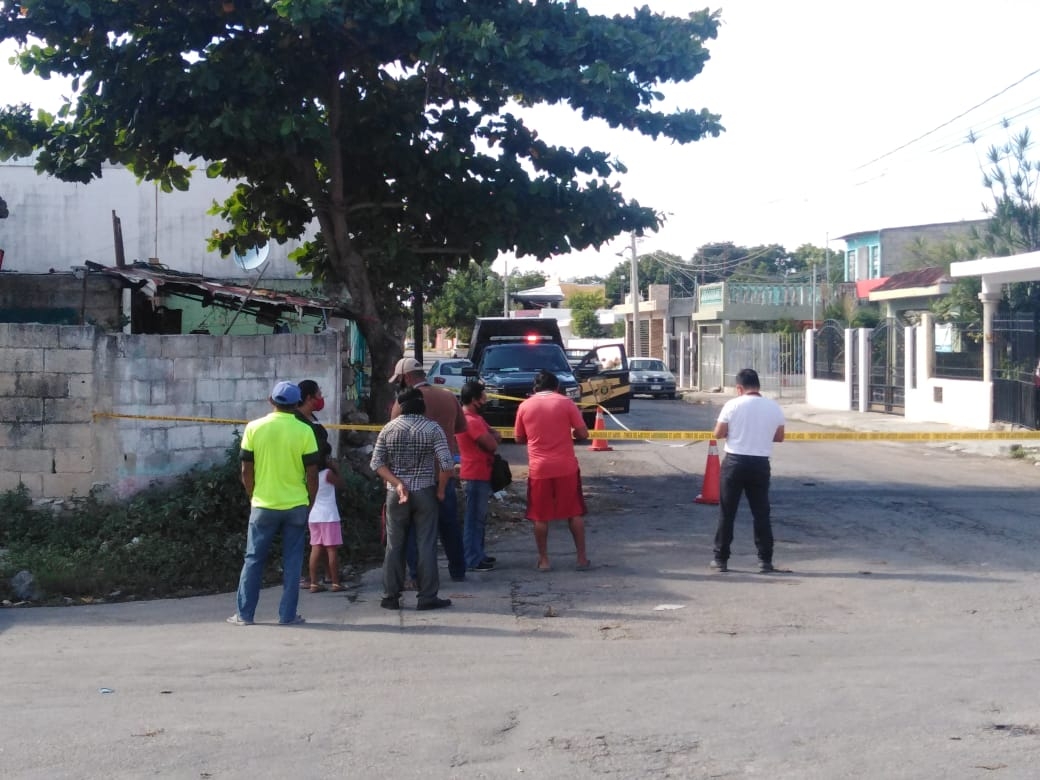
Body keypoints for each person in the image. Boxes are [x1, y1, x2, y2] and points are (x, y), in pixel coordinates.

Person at [227, 381, 321, 626]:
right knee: (292, 561)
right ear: (296, 403)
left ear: (271, 400)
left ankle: (245, 615)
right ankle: (287, 615)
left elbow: (246, 469)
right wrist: (309, 502)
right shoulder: (305, 431)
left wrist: (252, 495)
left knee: (253, 559)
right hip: (296, 505)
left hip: (263, 505)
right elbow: (312, 474)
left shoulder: (254, 427)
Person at [371, 387, 454, 611]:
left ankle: (390, 596)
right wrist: (441, 490)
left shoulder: (389, 428)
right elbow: (447, 464)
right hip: (425, 490)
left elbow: (376, 463)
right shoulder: (432, 428)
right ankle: (427, 596)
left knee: (394, 545)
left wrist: (397, 483)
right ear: (422, 407)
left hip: (395, 494)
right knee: (426, 544)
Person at [390, 357, 468, 583]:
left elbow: (394, 435)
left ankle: (417, 575)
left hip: (416, 477)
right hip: (444, 472)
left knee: (415, 528)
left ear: (405, 378)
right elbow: (462, 427)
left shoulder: (402, 403)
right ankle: (458, 570)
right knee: (449, 524)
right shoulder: (448, 397)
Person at [710, 368, 786, 574]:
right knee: (761, 512)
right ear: (758, 386)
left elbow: (718, 433)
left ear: (739, 388)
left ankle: (721, 559)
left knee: (727, 511)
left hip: (735, 461)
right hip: (760, 463)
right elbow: (779, 436)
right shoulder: (773, 407)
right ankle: (765, 560)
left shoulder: (732, 405)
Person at [514, 369, 590, 572]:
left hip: (539, 468)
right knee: (574, 513)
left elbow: (519, 438)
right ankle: (581, 558)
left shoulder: (524, 406)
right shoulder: (566, 403)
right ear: (557, 387)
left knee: (540, 516)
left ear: (535, 387)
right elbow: (583, 433)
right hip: (566, 467)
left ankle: (544, 560)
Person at [296, 379, 339, 590]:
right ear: (308, 398)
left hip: (320, 480)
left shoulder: (310, 419)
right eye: (318, 394)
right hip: (312, 481)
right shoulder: (299, 423)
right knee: (323, 542)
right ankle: (319, 577)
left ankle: (321, 577)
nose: (321, 398)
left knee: (317, 541)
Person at [456, 380, 500, 573]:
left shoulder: (475, 418)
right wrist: (492, 436)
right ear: (474, 399)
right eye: (482, 395)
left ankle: (478, 554)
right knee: (474, 519)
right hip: (474, 474)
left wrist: (492, 435)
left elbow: (493, 435)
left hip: (481, 472)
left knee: (479, 518)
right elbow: (491, 443)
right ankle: (472, 559)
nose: (485, 399)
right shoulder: (471, 421)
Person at [306, 443, 346, 593]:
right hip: (329, 515)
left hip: (314, 515)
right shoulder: (328, 473)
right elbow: (342, 484)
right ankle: (336, 582)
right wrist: (336, 468)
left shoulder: (311, 474)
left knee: (315, 548)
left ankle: (314, 583)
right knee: (332, 550)